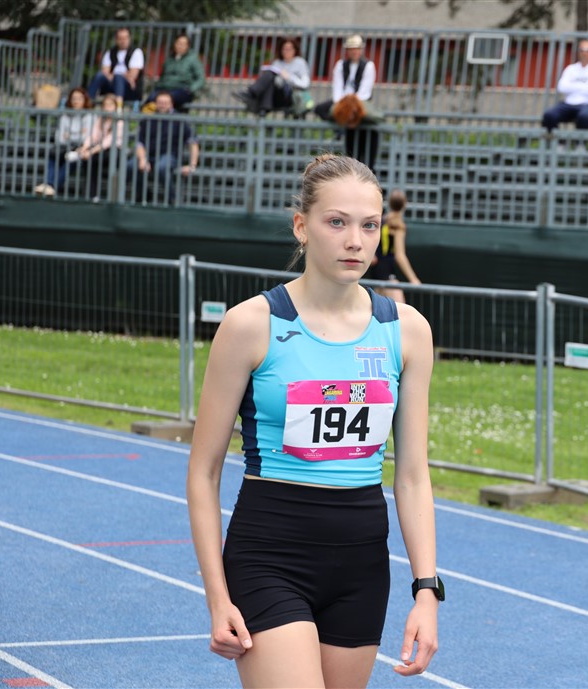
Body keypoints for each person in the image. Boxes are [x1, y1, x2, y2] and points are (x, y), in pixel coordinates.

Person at [187, 153, 440, 689]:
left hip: (361, 564)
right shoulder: (251, 324)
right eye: (337, 222)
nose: (355, 241)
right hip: (270, 554)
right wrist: (217, 596)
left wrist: (426, 590)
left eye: (369, 226)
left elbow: (413, 475)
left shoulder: (407, 331)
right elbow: (203, 473)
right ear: (302, 226)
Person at [315, 34, 381, 173]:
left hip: (359, 103)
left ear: (361, 50)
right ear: (347, 50)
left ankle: (343, 128)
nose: (354, 51)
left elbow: (364, 92)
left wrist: (351, 105)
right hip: (342, 102)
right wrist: (344, 106)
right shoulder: (340, 65)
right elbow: (337, 89)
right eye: (351, 48)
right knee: (320, 109)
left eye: (357, 48)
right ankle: (341, 127)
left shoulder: (368, 66)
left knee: (368, 123)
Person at [126, 91, 199, 204]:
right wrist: (143, 159)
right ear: (155, 103)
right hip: (148, 155)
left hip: (170, 156)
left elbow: (193, 143)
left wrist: (192, 165)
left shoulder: (180, 120)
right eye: (160, 102)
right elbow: (139, 143)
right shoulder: (147, 119)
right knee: (131, 165)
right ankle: (143, 194)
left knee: (162, 167)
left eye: (166, 103)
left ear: (171, 104)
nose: (162, 105)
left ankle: (172, 199)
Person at [34, 87, 93, 197]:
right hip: (63, 147)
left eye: (79, 98)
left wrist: (69, 135)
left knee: (71, 159)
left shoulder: (89, 116)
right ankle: (48, 184)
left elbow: (86, 138)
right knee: (53, 155)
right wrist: (78, 133)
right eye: (74, 98)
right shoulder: (65, 116)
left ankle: (51, 186)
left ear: (85, 100)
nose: (76, 101)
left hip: (80, 149)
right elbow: (60, 137)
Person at [541, 39, 588, 137]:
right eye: (582, 50)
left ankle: (579, 143)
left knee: (585, 116)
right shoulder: (571, 69)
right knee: (549, 115)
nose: (584, 53)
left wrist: (573, 86)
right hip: (568, 104)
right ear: (578, 52)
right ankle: (559, 142)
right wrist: (585, 86)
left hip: (587, 105)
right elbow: (562, 87)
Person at [367, 189, 421, 303]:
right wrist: (413, 279)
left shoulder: (381, 221)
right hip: (387, 273)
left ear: (389, 203)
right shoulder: (397, 225)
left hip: (377, 272)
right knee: (399, 309)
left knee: (380, 310)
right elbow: (400, 255)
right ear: (404, 205)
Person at [235, 37, 311, 116]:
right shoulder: (277, 63)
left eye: (289, 49)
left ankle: (252, 94)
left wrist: (289, 77)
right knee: (270, 76)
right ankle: (264, 107)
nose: (286, 52)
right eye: (284, 49)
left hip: (291, 96)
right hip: (276, 96)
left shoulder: (300, 62)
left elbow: (305, 84)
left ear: (295, 50)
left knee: (270, 76)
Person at [75, 93, 124, 202]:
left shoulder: (120, 122)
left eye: (110, 105)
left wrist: (90, 152)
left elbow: (107, 142)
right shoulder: (100, 120)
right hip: (100, 150)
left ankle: (105, 197)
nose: (107, 108)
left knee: (95, 158)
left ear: (116, 107)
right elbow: (92, 136)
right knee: (88, 160)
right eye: (105, 105)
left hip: (115, 152)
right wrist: (84, 148)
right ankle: (90, 195)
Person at [142, 33, 206, 113]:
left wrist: (190, 89)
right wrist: (158, 86)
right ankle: (146, 119)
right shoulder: (169, 59)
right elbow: (163, 76)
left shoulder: (193, 59)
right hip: (164, 88)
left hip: (182, 90)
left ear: (188, 46)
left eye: (183, 44)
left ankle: (171, 117)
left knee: (165, 100)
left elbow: (201, 79)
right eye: (178, 43)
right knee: (151, 99)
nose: (180, 46)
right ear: (174, 44)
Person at [86, 27, 145, 110]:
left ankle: (119, 108)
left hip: (129, 89)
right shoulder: (110, 52)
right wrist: (123, 74)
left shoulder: (136, 52)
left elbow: (133, 75)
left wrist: (116, 75)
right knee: (99, 76)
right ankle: (88, 102)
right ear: (116, 40)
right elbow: (105, 72)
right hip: (112, 85)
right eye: (120, 38)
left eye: (125, 38)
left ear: (129, 38)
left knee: (118, 77)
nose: (123, 41)